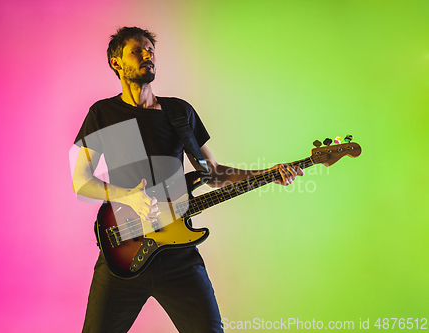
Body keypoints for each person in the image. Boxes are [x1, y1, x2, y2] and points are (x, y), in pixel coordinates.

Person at [72, 26, 304, 333]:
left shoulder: (178, 112)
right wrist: (128, 196)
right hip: (123, 253)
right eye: (137, 51)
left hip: (179, 258)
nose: (148, 56)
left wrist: (267, 175)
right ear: (116, 62)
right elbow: (81, 181)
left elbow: (213, 173)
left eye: (151, 50)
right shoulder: (102, 113)